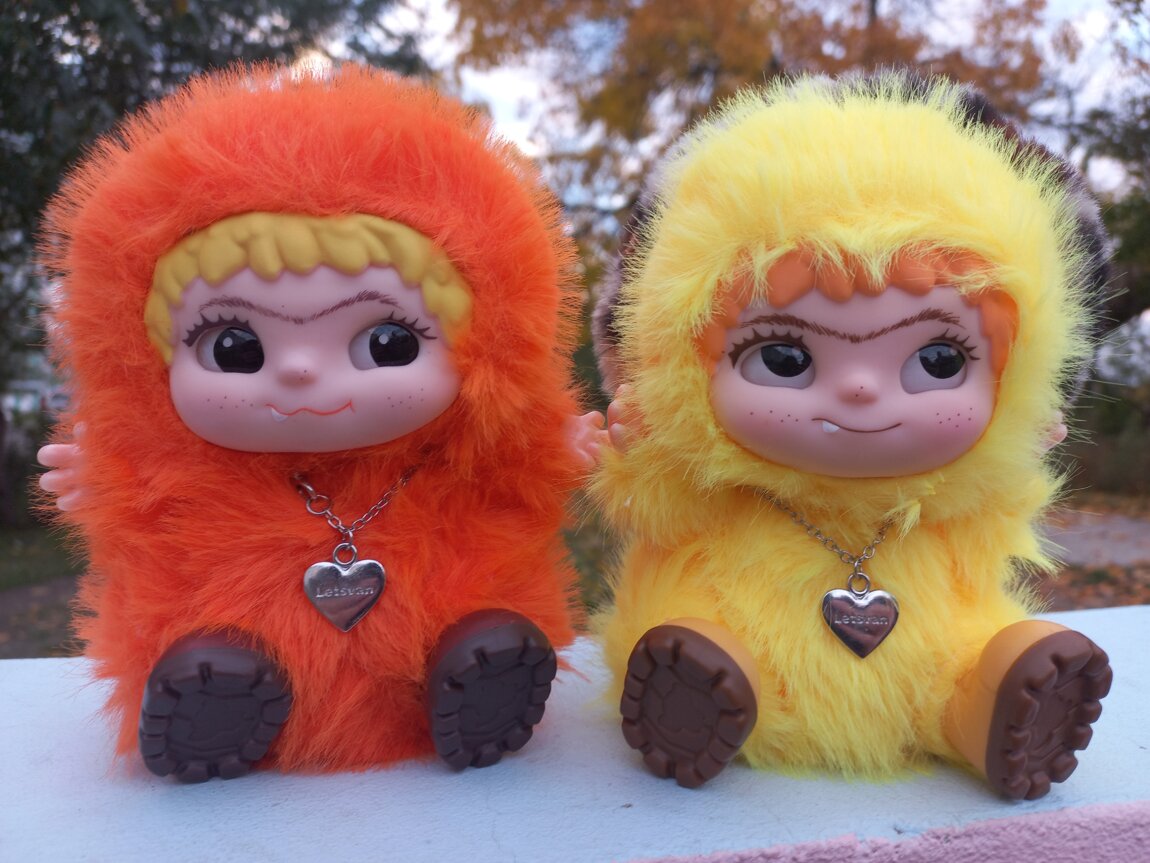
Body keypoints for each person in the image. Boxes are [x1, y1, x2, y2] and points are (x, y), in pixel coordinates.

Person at [37, 64, 592, 782]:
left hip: (433, 619)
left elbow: (516, 473)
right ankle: (220, 685)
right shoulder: (191, 459)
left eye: (386, 342)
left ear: (484, 345)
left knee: (472, 591)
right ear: (149, 365)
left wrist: (555, 444)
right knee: (197, 611)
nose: (300, 371)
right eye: (235, 347)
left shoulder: (458, 447)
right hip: (235, 617)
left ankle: (474, 665)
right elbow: (141, 507)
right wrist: (105, 473)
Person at [591, 72, 1112, 798]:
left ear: (1013, 378)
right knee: (690, 623)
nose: (862, 390)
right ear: (685, 368)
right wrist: (638, 457)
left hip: (928, 648)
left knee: (967, 651)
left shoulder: (951, 495)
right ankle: (703, 689)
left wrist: (1014, 460)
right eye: (785, 357)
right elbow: (661, 512)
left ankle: (986, 698)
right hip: (737, 639)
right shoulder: (720, 480)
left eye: (938, 359)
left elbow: (994, 529)